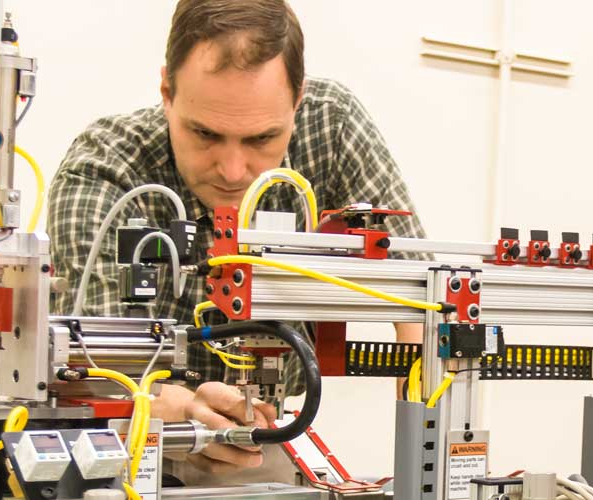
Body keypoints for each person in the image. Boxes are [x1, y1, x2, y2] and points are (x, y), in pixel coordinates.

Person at [47, 0, 427, 476]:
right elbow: (94, 370)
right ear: (167, 90)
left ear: (297, 100)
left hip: (267, 436)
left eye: (261, 139)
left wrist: (424, 455)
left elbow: (423, 299)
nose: (232, 171)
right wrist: (185, 412)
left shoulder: (330, 125)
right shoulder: (106, 169)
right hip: (136, 439)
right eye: (205, 134)